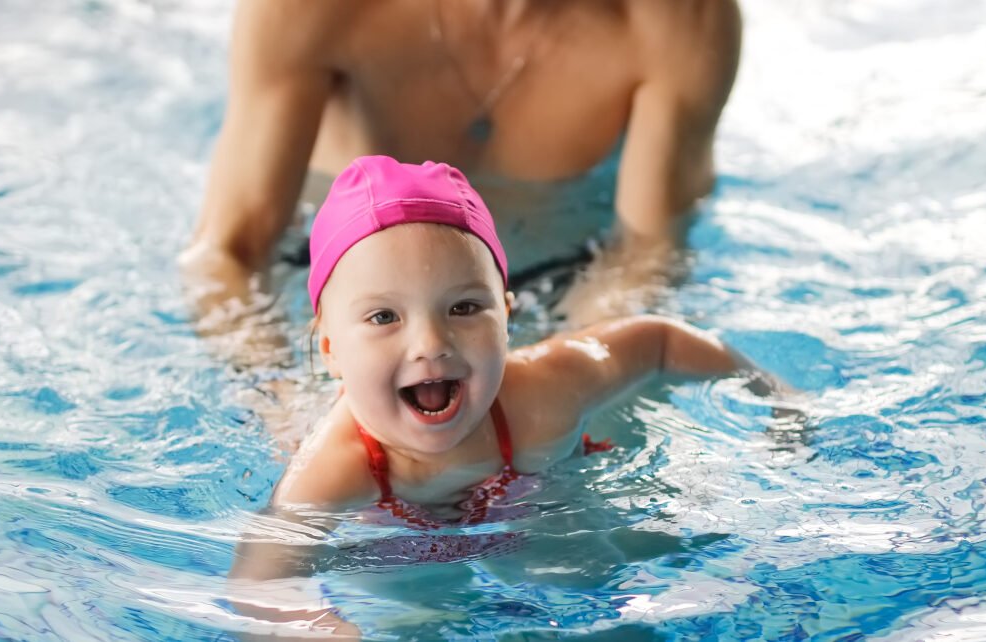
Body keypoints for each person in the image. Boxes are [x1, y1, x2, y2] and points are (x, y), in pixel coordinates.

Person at [227, 157, 773, 637]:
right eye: (384, 317)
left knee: (602, 597)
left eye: (464, 308)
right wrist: (320, 630)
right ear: (330, 350)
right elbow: (261, 581)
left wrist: (774, 398)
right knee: (420, 621)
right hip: (397, 544)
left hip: (535, 507)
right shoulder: (336, 468)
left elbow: (658, 340)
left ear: (505, 317)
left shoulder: (540, 392)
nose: (430, 344)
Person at [183, 0, 742, 329]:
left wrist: (558, 377)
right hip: (319, 272)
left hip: (557, 285)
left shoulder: (679, 18)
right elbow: (229, 254)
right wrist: (288, 404)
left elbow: (644, 253)